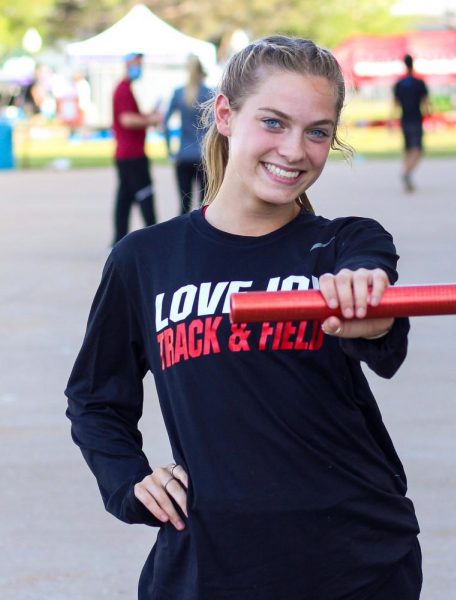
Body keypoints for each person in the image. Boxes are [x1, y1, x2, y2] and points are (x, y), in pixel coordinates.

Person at [66, 36, 422, 598]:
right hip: (211, 565)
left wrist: (368, 308)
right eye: (274, 123)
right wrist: (128, 481)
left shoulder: (343, 244)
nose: (296, 150)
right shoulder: (145, 260)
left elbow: (378, 310)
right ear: (227, 115)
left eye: (318, 132)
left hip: (353, 560)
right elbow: (94, 398)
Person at [112, 52, 161, 244]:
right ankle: (155, 238)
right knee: (145, 194)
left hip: (126, 153)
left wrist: (146, 116)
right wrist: (150, 120)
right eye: (137, 64)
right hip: (132, 154)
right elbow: (127, 120)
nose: (139, 69)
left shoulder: (126, 89)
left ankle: (118, 237)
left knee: (124, 198)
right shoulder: (123, 90)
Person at [164, 55, 214, 214]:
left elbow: (165, 123)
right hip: (203, 155)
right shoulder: (208, 93)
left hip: (183, 154)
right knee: (205, 205)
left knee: (184, 205)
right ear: (201, 71)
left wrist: (170, 150)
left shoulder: (179, 93)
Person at [393, 54, 430, 193]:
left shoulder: (400, 84)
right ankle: (407, 173)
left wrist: (391, 120)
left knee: (408, 149)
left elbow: (395, 104)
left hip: (405, 119)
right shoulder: (419, 82)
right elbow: (426, 101)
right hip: (416, 119)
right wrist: (429, 113)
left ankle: (406, 172)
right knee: (418, 150)